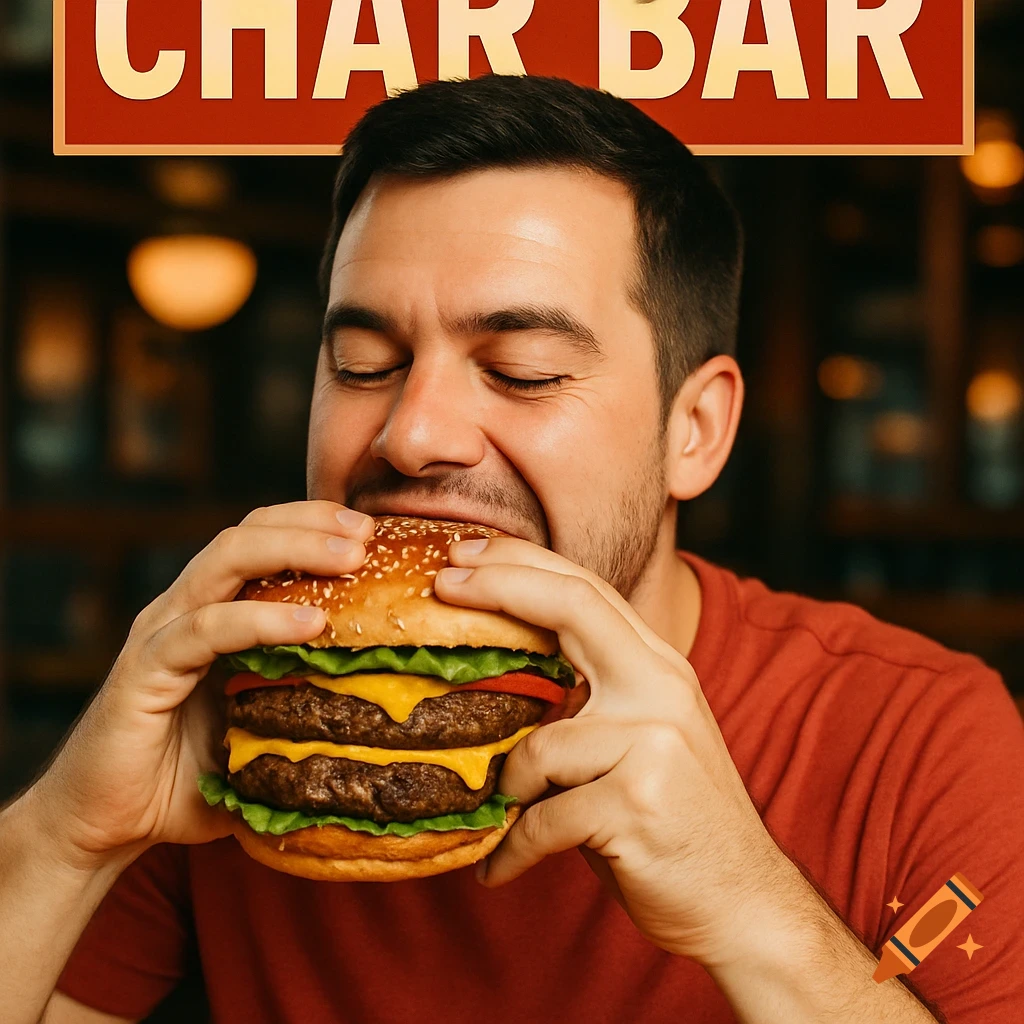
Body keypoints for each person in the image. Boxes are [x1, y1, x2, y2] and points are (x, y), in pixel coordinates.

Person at [2, 76, 1022, 1024]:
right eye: (364, 362)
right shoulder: (232, 720)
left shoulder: (916, 738)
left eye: (523, 370)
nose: (412, 433)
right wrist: (63, 838)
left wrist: (749, 906)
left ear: (694, 430)